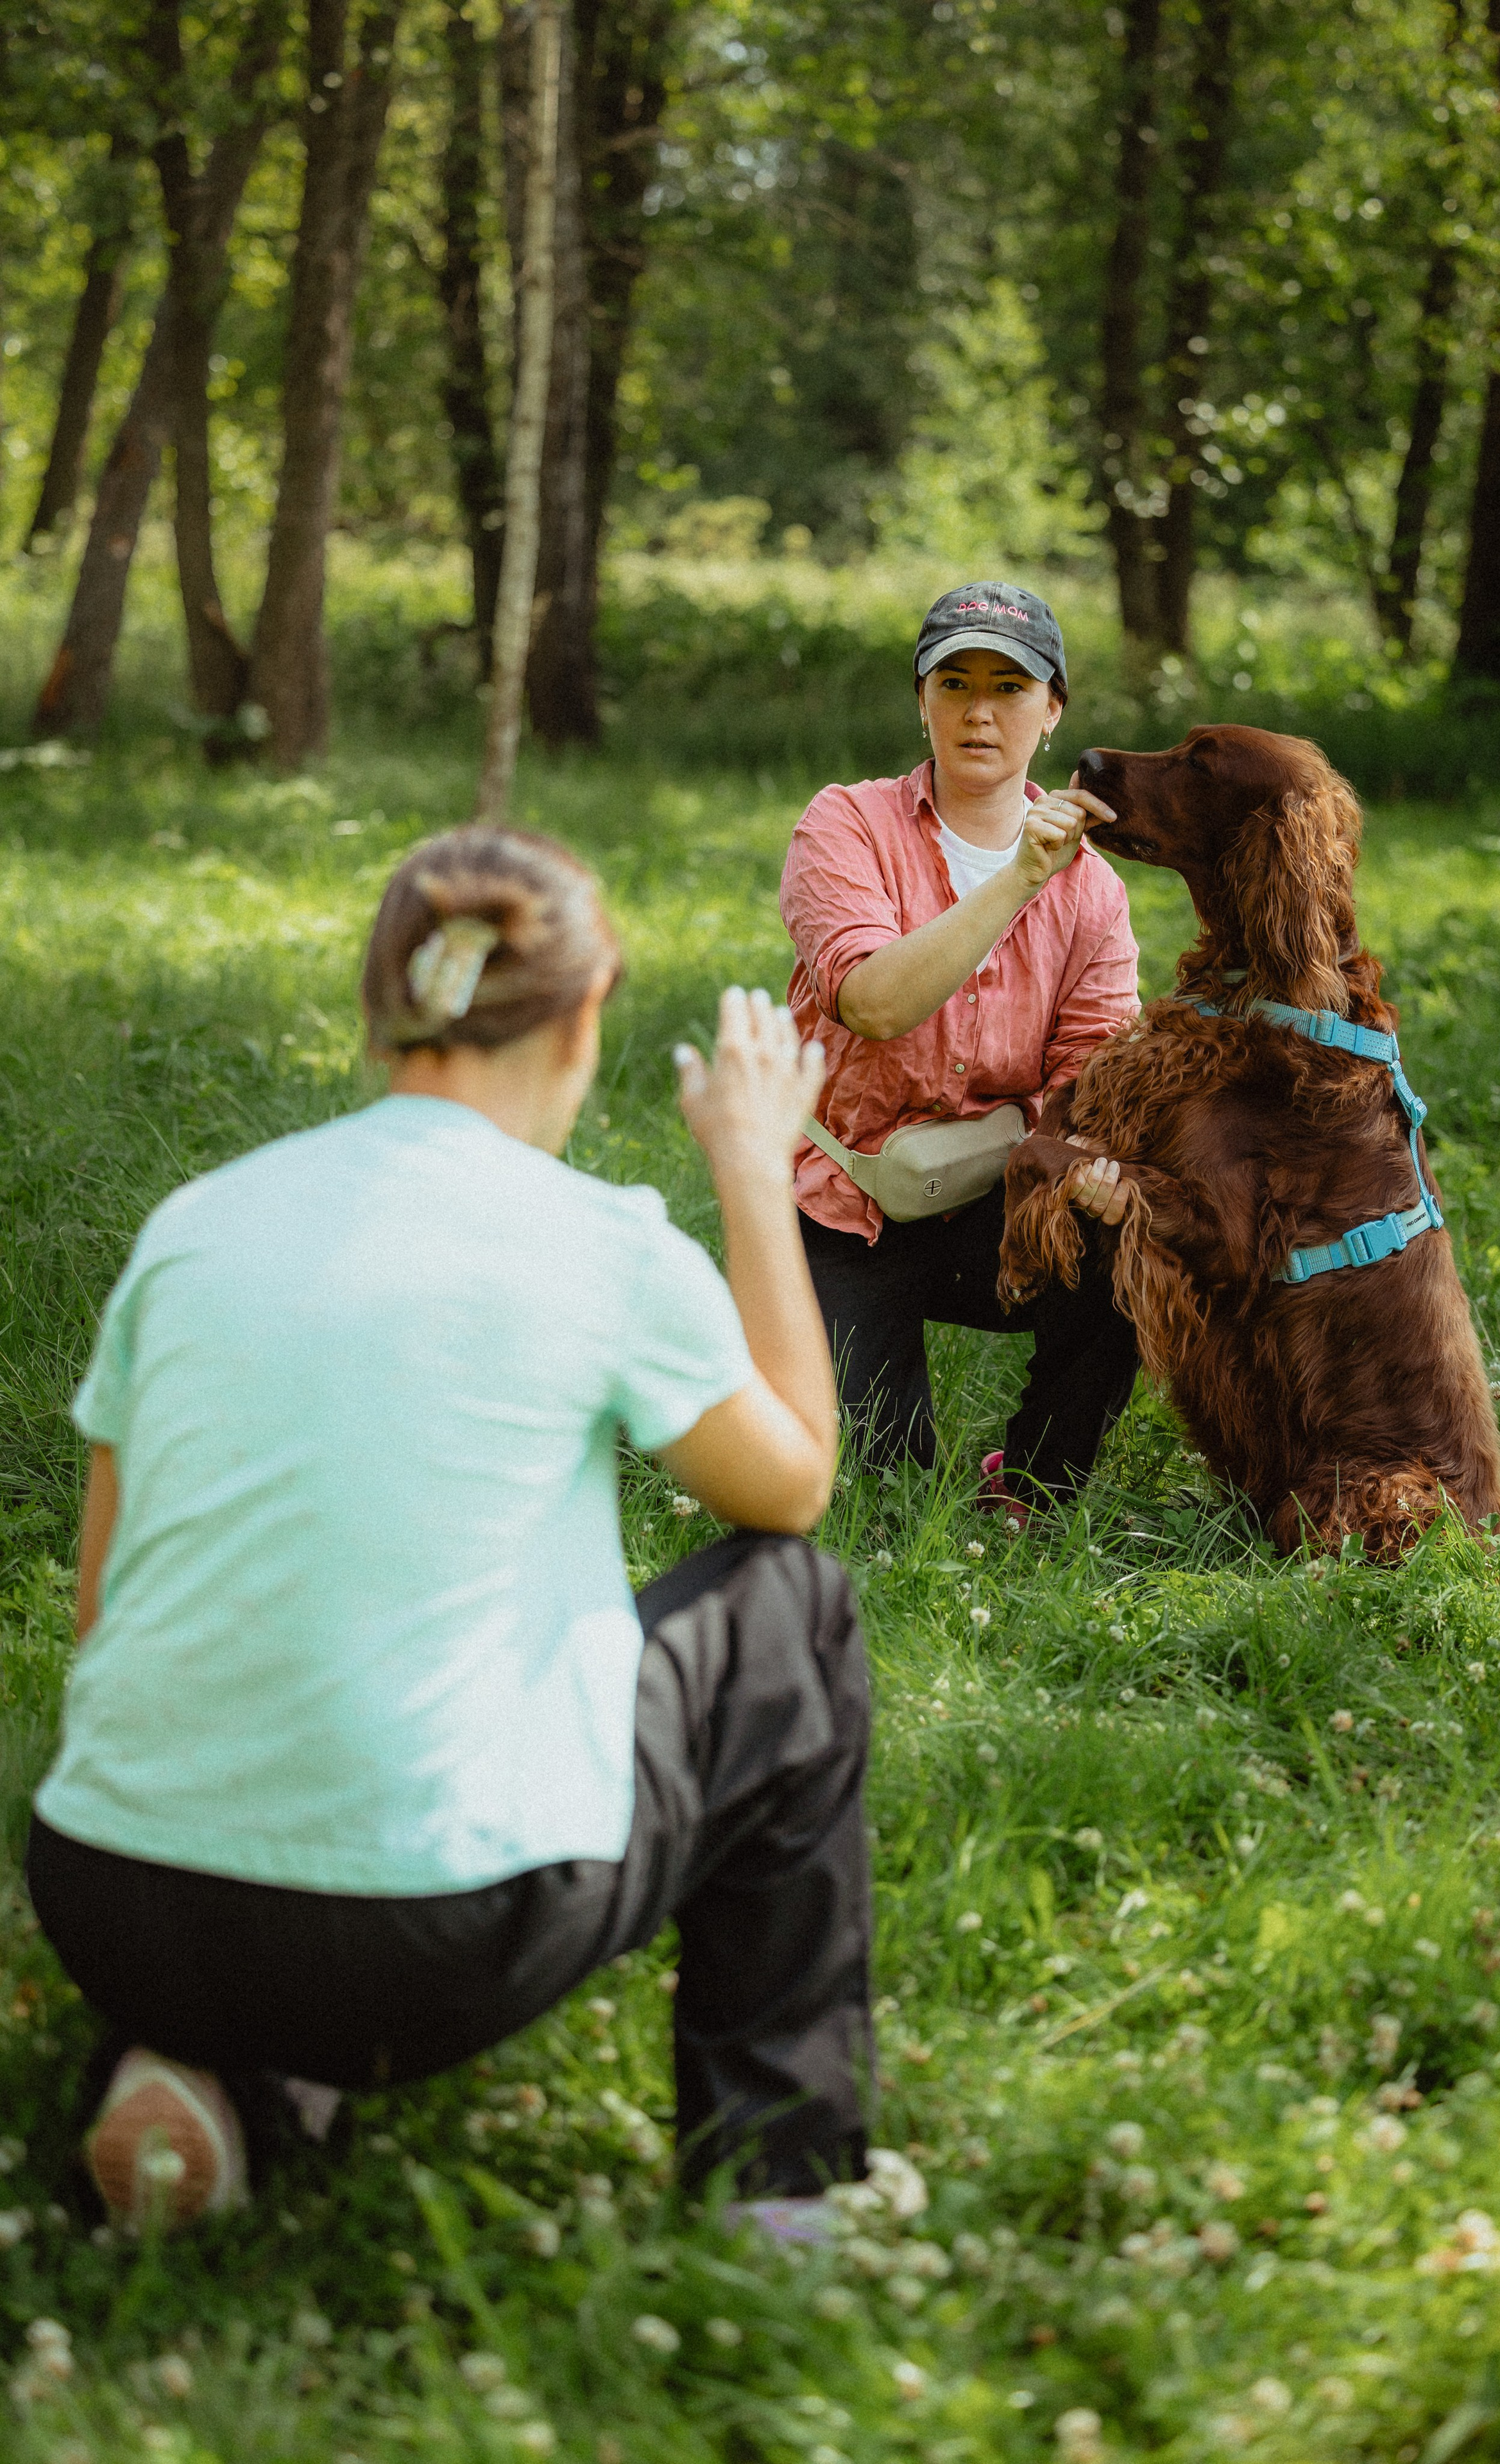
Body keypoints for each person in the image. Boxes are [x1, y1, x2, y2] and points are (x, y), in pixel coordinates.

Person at [27, 825, 873, 2239]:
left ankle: (198, 2071)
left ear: (380, 1008)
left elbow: (102, 1617)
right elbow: (787, 1488)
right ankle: (776, 2189)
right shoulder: (596, 1240)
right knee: (790, 1608)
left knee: (257, 1845)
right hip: (430, 1937)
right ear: (586, 1012)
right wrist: (749, 1167)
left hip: (112, 1897)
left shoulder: (191, 1225)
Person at [781, 580, 1140, 1519]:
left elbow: (1093, 1073)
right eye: (955, 683)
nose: (981, 711)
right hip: (847, 1203)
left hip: (993, 1197)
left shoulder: (1094, 893)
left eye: (1012, 688)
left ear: (1052, 711)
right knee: (885, 1497)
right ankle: (772, 1318)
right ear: (923, 700)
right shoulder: (846, 823)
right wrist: (1021, 877)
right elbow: (872, 1003)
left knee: (1127, 1248)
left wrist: (1095, 1168)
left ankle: (1031, 1484)